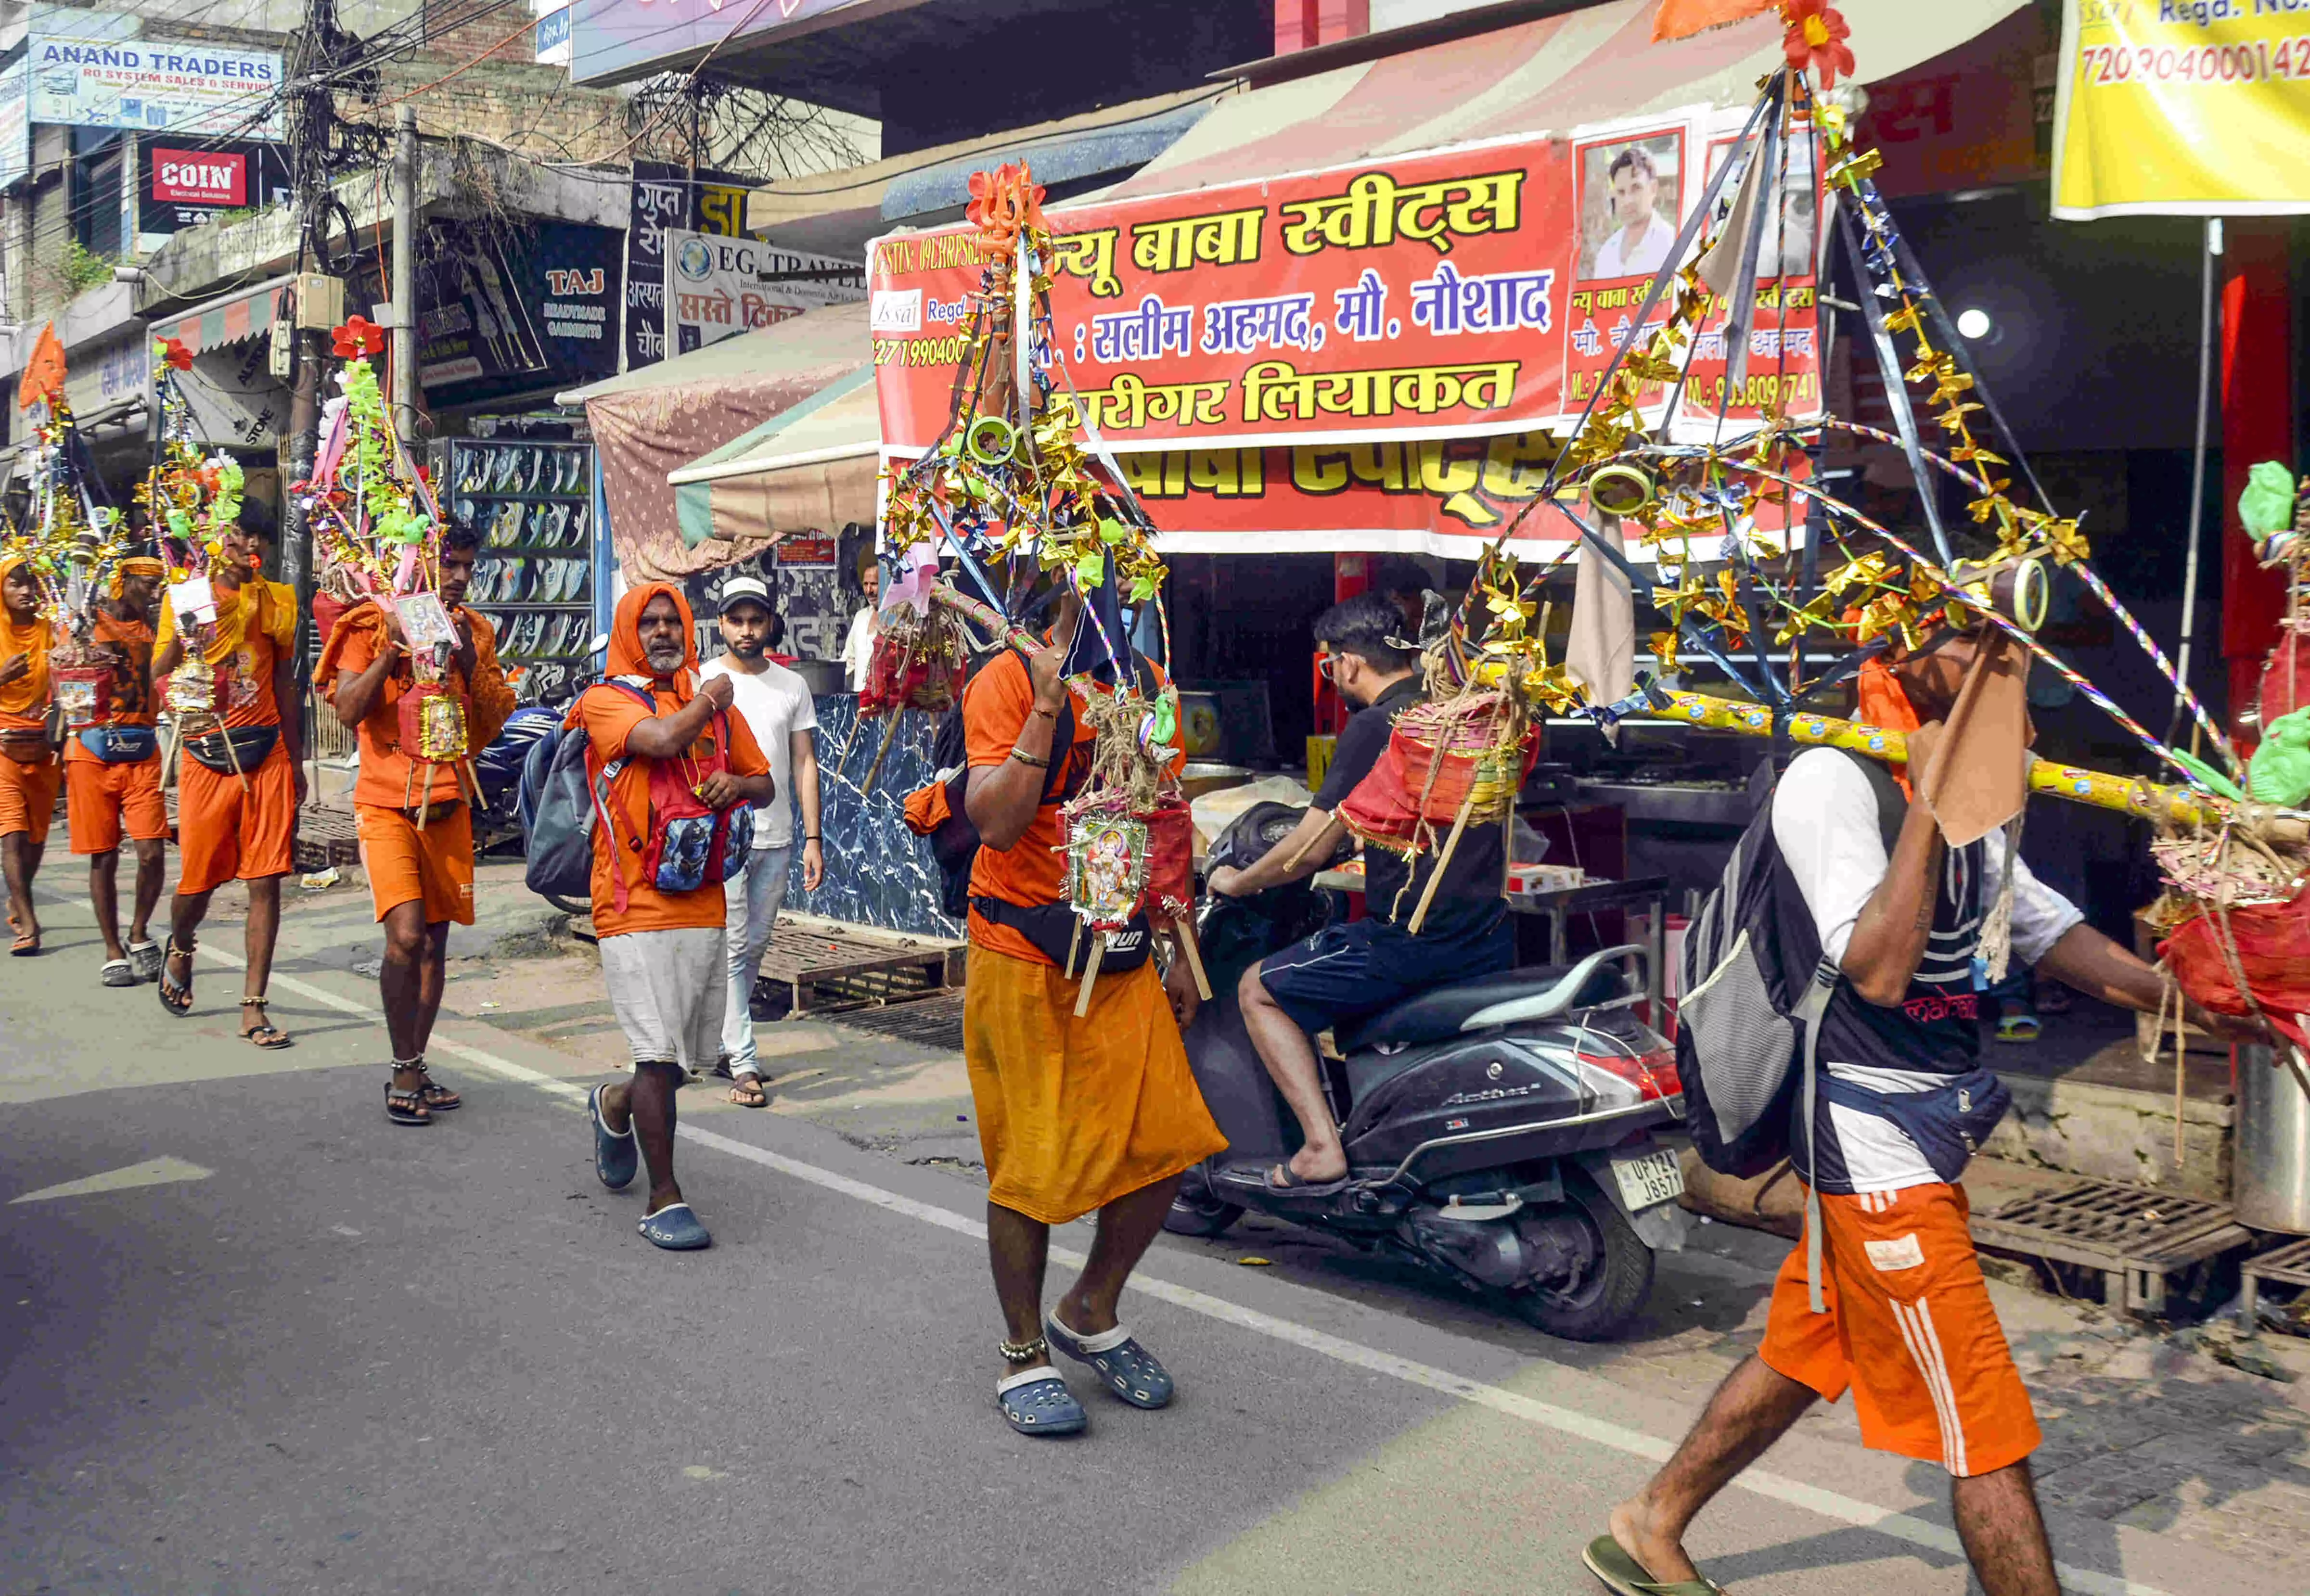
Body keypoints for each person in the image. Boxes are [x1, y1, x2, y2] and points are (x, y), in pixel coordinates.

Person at [1590, 625, 2266, 1596]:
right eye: (1979, 649)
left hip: (1931, 1127)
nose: (2007, 671)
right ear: (1908, 654)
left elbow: (2051, 932)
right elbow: (1878, 966)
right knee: (1982, 1420)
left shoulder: (1972, 790)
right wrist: (1927, 802)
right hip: (1868, 1143)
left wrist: (2207, 1007)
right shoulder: (1832, 780)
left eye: (2016, 653)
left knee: (1806, 1344)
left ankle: (1650, 1516)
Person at [961, 583, 1222, 1436]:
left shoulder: (1144, 681)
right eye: (1091, 567)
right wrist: (1044, 700)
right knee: (1032, 1165)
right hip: (1024, 954)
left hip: (1118, 954)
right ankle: (1023, 1349)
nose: (1113, 586)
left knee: (1169, 1140)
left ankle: (1091, 1305)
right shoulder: (1003, 678)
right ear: (1055, 585)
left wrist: (1181, 948)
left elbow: (1164, 824)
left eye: (1125, 568)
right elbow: (995, 825)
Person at [1208, 593, 1513, 1189]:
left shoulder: (1380, 726)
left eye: (1330, 665)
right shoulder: (1449, 715)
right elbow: (1394, 820)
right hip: (1484, 933)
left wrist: (1237, 881)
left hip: (1413, 941)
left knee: (1259, 989)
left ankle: (1321, 1147)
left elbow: (1308, 848)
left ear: (1347, 664)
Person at [579, 583, 773, 1251]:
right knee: (657, 1056)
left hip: (702, 899)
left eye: (673, 621)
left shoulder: (711, 704)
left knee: (676, 1061)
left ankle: (613, 1104)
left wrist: (736, 785)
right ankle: (665, 1197)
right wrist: (709, 698)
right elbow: (660, 741)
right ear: (631, 631)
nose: (663, 632)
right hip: (630, 905)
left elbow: (765, 781)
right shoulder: (606, 699)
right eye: (650, 623)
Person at [318, 522, 514, 1126]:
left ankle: (415, 1060)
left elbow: (490, 723)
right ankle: (404, 1063)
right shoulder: (368, 622)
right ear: (418, 564)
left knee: (435, 943)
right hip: (386, 805)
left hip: (451, 803)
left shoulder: (474, 628)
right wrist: (392, 649)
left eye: (467, 566)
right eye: (449, 564)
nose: (459, 577)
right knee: (404, 936)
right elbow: (348, 709)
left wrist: (472, 660)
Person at [153, 523, 305, 1045]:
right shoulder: (188, 596)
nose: (252, 549)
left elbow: (286, 680)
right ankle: (181, 942)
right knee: (197, 881)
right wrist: (185, 634)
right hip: (204, 754)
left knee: (266, 880)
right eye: (239, 540)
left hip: (266, 753)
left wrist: (298, 759)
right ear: (216, 544)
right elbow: (159, 670)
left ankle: (254, 1005)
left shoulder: (278, 600)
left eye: (258, 540)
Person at [702, 574, 825, 1105]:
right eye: (737, 620)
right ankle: (744, 1061)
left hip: (776, 835)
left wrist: (814, 838)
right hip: (722, 834)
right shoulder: (701, 681)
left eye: (756, 620)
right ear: (722, 623)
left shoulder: (791, 685)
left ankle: (725, 1043)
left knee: (753, 944)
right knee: (733, 945)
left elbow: (804, 763)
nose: (748, 630)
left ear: (771, 622)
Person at [65, 555, 168, 984]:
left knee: (152, 851)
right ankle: (112, 949)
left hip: (142, 749)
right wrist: (80, 650)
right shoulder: (90, 621)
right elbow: (68, 680)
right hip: (92, 750)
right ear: (123, 582)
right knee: (103, 855)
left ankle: (140, 932)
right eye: (147, 584)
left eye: (159, 584)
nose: (154, 592)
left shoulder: (160, 629)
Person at [0, 553, 57, 957]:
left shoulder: (51, 632)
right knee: (12, 835)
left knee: (36, 838)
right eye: (14, 583)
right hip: (1, 745)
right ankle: (29, 922)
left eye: (30, 583)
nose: (25, 591)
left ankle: (19, 901)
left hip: (43, 746)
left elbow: (70, 681)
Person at [1592, 145, 1674, 280]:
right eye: (1621, 192)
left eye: (1636, 188)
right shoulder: (1607, 253)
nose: (1628, 200)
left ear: (1653, 188)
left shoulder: (1671, 244)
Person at [843, 557, 880, 691]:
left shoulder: (897, 618)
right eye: (866, 584)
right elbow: (849, 659)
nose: (869, 591)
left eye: (874, 584)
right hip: (860, 698)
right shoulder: (861, 617)